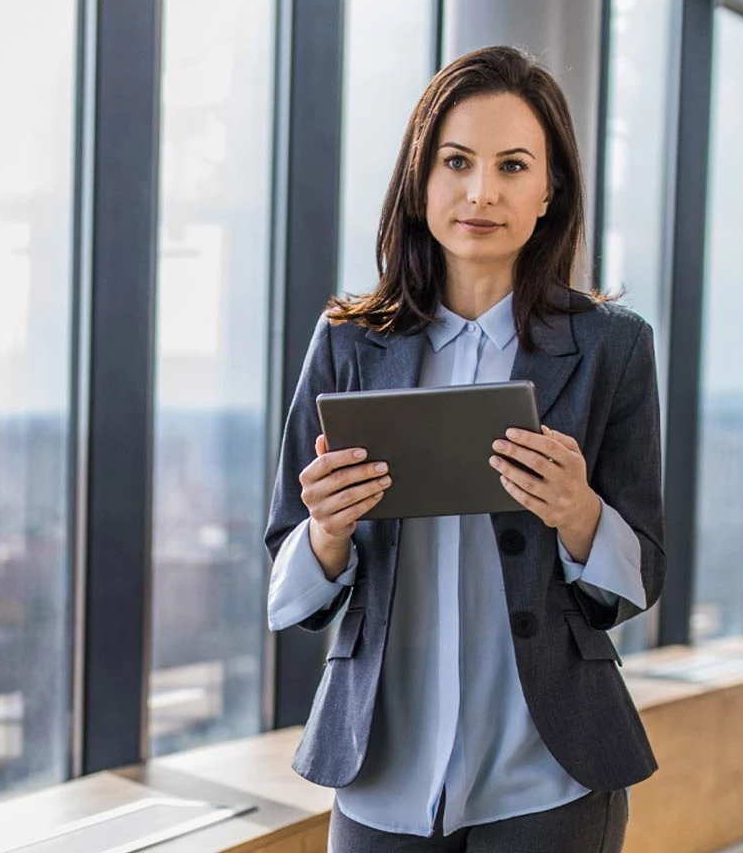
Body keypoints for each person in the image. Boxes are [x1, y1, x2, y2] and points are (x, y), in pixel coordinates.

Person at [265, 45, 663, 852]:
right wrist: (328, 532)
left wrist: (581, 515)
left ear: (550, 191)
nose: (482, 191)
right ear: (420, 179)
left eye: (514, 166)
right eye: (457, 162)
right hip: (383, 771)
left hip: (547, 769)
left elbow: (643, 571)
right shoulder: (348, 342)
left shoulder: (612, 348)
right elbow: (286, 568)